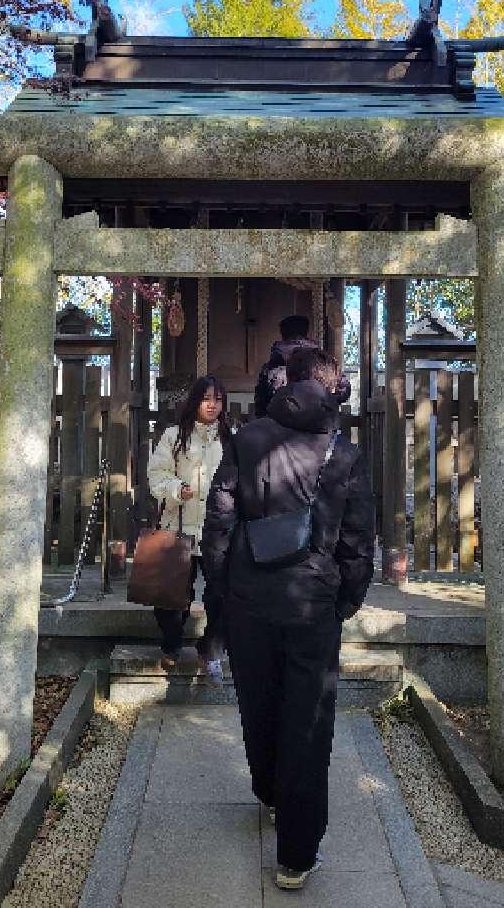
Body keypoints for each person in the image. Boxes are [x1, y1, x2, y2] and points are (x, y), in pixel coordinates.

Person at [203, 347, 374, 890]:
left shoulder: (246, 439)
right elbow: (357, 543)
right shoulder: (343, 452)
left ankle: (270, 793)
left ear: (288, 383)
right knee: (308, 720)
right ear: (331, 390)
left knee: (258, 700)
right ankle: (296, 856)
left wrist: (220, 592)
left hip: (251, 600)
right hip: (312, 604)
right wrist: (344, 600)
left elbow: (219, 524)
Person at [148, 375, 231, 682]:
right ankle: (170, 644)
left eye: (218, 399)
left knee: (222, 594)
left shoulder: (229, 437)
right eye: (207, 398)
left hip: (217, 529)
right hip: (178, 525)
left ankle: (210, 649)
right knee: (171, 598)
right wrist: (175, 488)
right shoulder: (174, 436)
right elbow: (156, 474)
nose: (213, 405)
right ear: (195, 401)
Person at [254, 314, 351, 417]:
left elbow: (261, 405)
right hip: (318, 426)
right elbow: (344, 390)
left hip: (282, 426)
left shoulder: (272, 366)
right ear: (306, 332)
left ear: (283, 334)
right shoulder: (323, 361)